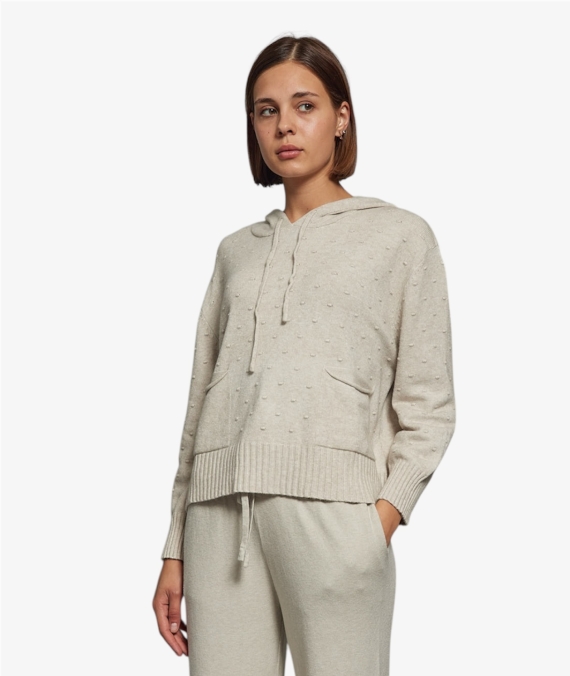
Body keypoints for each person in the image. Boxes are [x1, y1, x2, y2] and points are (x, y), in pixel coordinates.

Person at [152, 34, 456, 676]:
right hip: (218, 519)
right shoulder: (235, 251)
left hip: (335, 521)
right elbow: (199, 405)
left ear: (341, 117)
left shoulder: (401, 238)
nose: (284, 125)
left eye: (304, 105)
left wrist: (378, 521)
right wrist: (175, 547)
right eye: (266, 111)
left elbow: (429, 405)